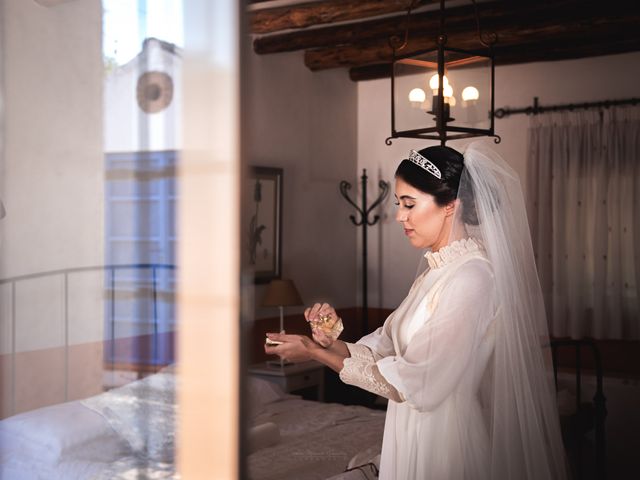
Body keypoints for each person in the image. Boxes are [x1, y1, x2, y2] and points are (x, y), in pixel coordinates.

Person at [265, 142, 569, 479]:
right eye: (399, 204)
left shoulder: (473, 277)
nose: (398, 216)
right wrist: (328, 339)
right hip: (412, 430)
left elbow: (418, 381)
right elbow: (385, 349)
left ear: (450, 205)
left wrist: (312, 354)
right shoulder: (436, 272)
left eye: (409, 204)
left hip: (445, 442)